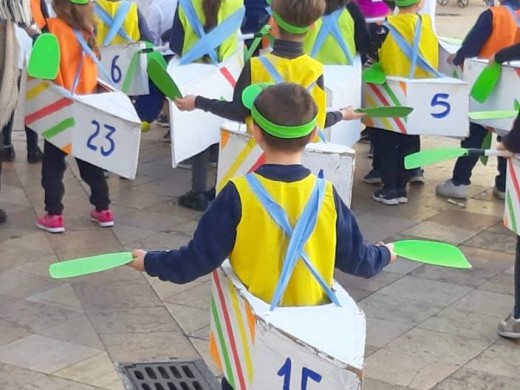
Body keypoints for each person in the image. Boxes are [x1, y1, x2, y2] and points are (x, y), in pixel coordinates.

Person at [128, 82, 396, 389]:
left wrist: (150, 262)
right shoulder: (326, 196)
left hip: (251, 340)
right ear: (312, 135)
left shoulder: (236, 195)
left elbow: (195, 261)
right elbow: (358, 260)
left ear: (254, 131)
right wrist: (385, 254)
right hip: (308, 343)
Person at [174, 0, 364, 211]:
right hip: (296, 164)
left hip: (254, 159)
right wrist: (343, 114)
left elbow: (238, 111)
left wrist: (198, 102)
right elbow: (317, 120)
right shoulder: (315, 69)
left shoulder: (255, 66)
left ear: (272, 22)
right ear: (313, 25)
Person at [25, 0, 114, 233]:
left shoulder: (52, 29)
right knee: (90, 162)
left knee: (53, 165)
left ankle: (54, 215)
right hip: (87, 106)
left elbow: (40, 66)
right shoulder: (90, 30)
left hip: (60, 108)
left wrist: (33, 32)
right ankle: (103, 210)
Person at [436, 0, 520, 200]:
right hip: (515, 89)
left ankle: (460, 182)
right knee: (507, 134)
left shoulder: (493, 14)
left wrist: (457, 57)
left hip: (486, 83)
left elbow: (472, 45)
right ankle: (503, 184)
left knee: (475, 133)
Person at [365, 0, 438, 205]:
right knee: (408, 138)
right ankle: (402, 187)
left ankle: (390, 190)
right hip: (418, 91)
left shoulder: (384, 27)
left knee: (388, 140)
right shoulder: (426, 24)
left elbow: (373, 55)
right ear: (421, 3)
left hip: (389, 93)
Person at [0, 25, 43, 164]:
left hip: (14, 38)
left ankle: (6, 144)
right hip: (32, 37)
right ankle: (32, 148)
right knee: (32, 98)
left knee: (10, 94)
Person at [303, 0, 371, 64]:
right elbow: (363, 45)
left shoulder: (303, 8)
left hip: (309, 67)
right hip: (344, 66)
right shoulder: (351, 8)